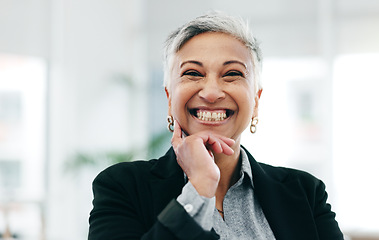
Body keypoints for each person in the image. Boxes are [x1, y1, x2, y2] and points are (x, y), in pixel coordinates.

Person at [88, 12, 344, 240]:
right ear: (169, 99)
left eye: (232, 74)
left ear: (255, 101)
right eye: (193, 73)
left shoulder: (306, 194)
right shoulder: (121, 186)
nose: (211, 93)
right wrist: (198, 188)